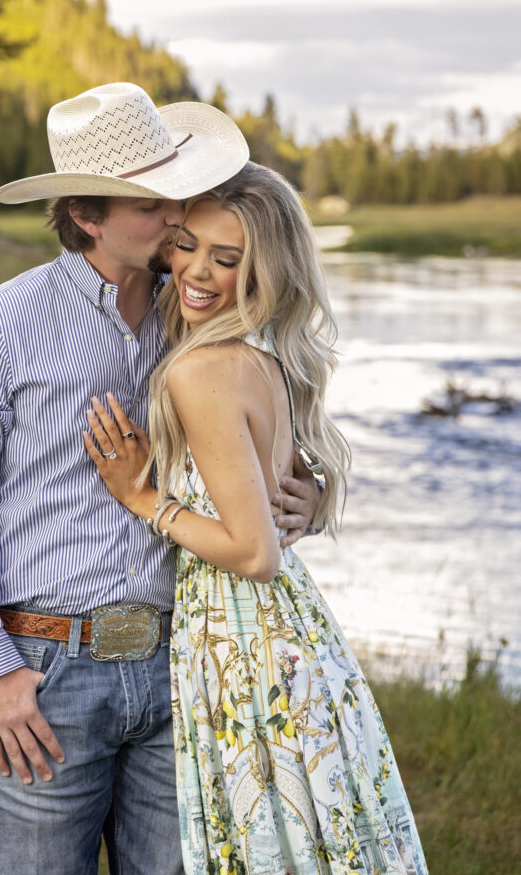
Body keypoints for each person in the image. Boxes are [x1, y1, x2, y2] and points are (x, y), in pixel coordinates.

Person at [0, 83, 321, 875]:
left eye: (175, 191)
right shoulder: (0, 324)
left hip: (182, 671)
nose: (177, 216)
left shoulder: (197, 308)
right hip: (45, 667)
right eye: (149, 204)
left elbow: (273, 438)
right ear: (86, 215)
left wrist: (311, 498)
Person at [84, 161, 430, 875]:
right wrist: (313, 497)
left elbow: (251, 552)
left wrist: (141, 497)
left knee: (266, 843)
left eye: (226, 258)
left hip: (245, 641)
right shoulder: (262, 355)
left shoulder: (200, 369)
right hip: (289, 632)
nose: (195, 271)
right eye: (186, 245)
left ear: (264, 270)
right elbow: (274, 501)